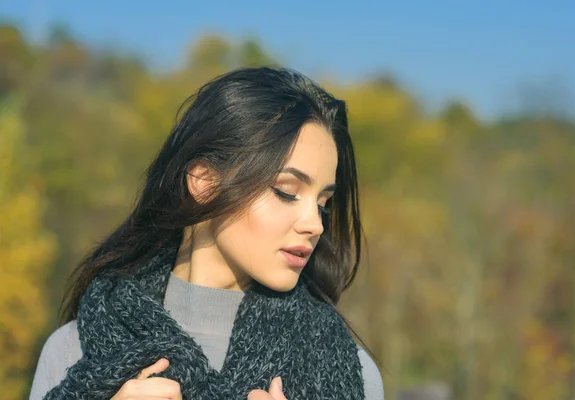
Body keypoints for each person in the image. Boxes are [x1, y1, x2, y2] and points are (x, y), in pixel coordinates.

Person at [29, 67, 384, 399]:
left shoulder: (355, 372)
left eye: (322, 203)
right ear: (204, 181)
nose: (316, 224)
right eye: (287, 191)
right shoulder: (72, 350)